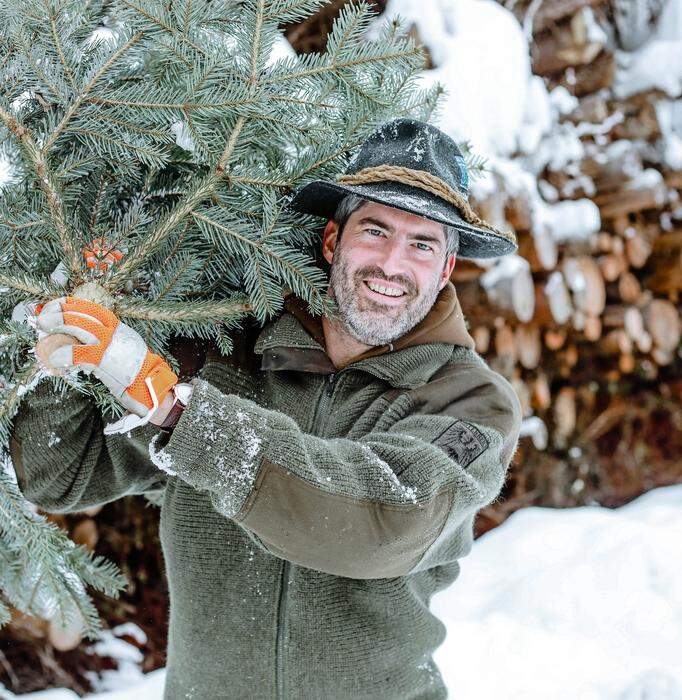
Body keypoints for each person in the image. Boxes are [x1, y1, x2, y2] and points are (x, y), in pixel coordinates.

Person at [10, 119, 522, 699]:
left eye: (422, 244)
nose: (392, 263)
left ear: (446, 269)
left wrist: (185, 418)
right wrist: (61, 356)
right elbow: (60, 476)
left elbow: (383, 523)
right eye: (374, 231)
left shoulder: (471, 404)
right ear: (332, 241)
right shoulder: (225, 353)